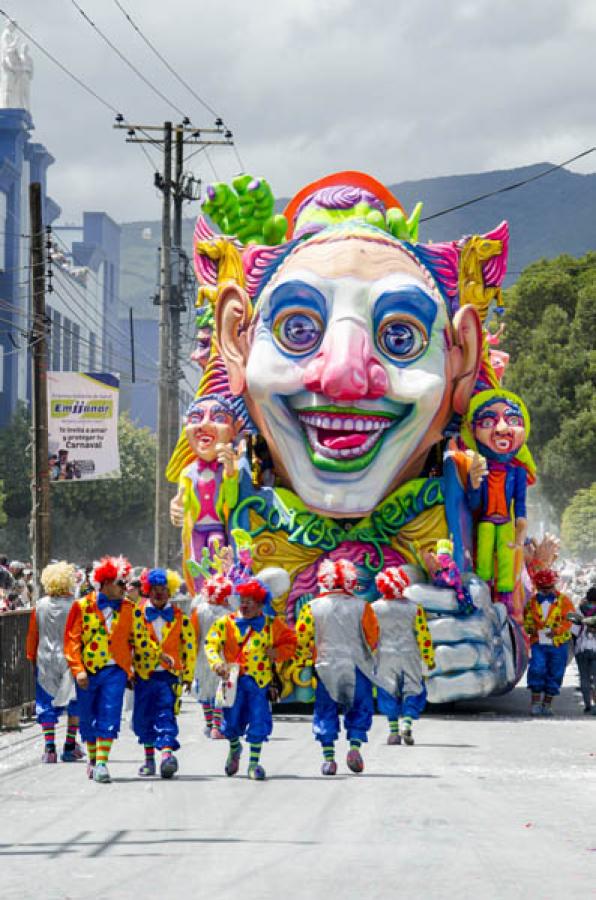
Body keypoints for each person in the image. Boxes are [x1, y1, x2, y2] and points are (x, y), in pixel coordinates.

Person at [205, 577, 296, 780]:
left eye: (250, 601)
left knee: (258, 720)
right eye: (242, 599)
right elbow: (210, 644)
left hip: (259, 683)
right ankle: (235, 748)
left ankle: (254, 764)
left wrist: (278, 652)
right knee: (231, 722)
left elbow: (291, 642)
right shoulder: (225, 623)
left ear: (261, 604)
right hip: (232, 683)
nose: (245, 604)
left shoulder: (272, 624)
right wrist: (216, 663)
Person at [295, 559, 379, 776]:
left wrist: (304, 663)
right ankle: (354, 747)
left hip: (325, 668)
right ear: (350, 581)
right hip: (357, 667)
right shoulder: (363, 607)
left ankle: (329, 759)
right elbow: (373, 639)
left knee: (325, 712)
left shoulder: (310, 608)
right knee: (359, 708)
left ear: (325, 581)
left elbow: (302, 640)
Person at [63, 555, 134, 783]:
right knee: (87, 717)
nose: (125, 587)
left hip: (116, 670)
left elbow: (142, 640)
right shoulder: (81, 606)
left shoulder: (130, 608)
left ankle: (102, 762)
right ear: (105, 583)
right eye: (121, 583)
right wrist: (78, 669)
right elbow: (72, 641)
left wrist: (157, 660)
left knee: (110, 714)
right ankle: (93, 759)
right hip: (88, 672)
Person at [132, 569, 197, 778]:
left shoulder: (180, 617)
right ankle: (149, 759)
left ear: (170, 592)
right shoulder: (137, 614)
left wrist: (187, 675)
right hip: (143, 674)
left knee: (165, 714)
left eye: (163, 590)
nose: (159, 593)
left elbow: (189, 646)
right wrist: (127, 670)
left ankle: (167, 755)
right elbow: (129, 643)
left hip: (169, 676)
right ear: (148, 591)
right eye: (155, 590)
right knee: (143, 717)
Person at [26, 561, 84, 763]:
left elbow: (33, 635)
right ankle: (69, 746)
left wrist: (32, 658)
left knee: (45, 703)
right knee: (75, 702)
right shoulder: (77, 606)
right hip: (70, 660)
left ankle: (49, 748)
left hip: (45, 660)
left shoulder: (39, 606)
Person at [372, 566, 435, 746]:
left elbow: (369, 636)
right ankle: (407, 723)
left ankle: (393, 732)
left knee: (387, 691)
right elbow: (424, 635)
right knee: (413, 688)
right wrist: (429, 658)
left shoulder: (374, 608)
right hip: (410, 654)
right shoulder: (415, 608)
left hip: (385, 656)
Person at [523, 568, 574, 716]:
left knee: (556, 672)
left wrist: (556, 631)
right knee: (537, 669)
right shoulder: (532, 602)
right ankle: (535, 704)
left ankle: (547, 704)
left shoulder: (564, 601)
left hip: (558, 644)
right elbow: (527, 618)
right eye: (542, 588)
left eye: (548, 588)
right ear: (537, 587)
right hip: (539, 643)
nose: (546, 591)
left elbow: (569, 620)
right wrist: (530, 628)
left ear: (554, 586)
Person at [190, 572, 234, 739]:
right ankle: (217, 725)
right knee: (219, 691)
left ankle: (209, 724)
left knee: (204, 690)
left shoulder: (198, 611)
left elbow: (193, 636)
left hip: (202, 655)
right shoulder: (229, 614)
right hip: (222, 656)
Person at [571, 586, 596, 714]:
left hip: (581, 648)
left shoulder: (580, 611)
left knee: (584, 677)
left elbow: (573, 632)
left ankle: (587, 705)